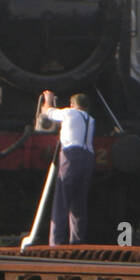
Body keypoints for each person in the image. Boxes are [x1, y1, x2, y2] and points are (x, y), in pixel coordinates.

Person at [39, 91, 95, 246]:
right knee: (79, 202)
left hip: (71, 157)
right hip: (88, 159)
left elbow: (47, 112)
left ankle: (56, 242)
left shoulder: (69, 113)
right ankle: (76, 242)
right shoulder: (91, 120)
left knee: (61, 200)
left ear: (72, 104)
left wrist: (48, 99)